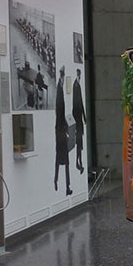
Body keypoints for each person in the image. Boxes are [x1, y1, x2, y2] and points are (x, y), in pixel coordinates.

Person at [54, 66, 71, 195]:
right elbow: (60, 112)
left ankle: (58, 182)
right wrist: (65, 127)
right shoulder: (59, 93)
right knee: (64, 161)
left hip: (59, 131)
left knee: (59, 160)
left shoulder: (59, 93)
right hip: (61, 133)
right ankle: (66, 186)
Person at [72, 68, 86, 174]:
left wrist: (84, 117)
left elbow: (81, 103)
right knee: (78, 142)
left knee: (80, 142)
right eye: (78, 75)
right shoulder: (75, 86)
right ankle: (78, 162)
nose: (79, 77)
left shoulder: (78, 86)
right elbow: (76, 104)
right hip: (77, 120)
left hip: (79, 120)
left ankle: (79, 162)